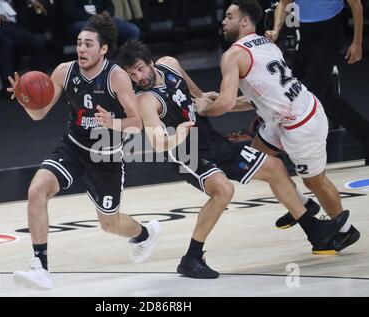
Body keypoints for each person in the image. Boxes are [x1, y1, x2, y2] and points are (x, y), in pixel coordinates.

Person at [117, 39, 349, 279]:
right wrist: (179, 136)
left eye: (140, 69)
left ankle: (316, 233)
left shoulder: (170, 65)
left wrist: (213, 101)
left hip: (211, 140)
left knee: (275, 167)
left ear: (150, 62)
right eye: (131, 75)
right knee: (223, 190)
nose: (138, 78)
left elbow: (198, 94)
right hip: (185, 153)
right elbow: (157, 142)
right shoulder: (145, 100)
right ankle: (191, 258)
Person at [8, 15, 160, 290]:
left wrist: (111, 123)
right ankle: (40, 267)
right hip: (74, 146)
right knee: (36, 190)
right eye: (79, 43)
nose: (81, 49)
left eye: (88, 44)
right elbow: (39, 114)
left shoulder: (117, 77)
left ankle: (144, 234)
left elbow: (137, 123)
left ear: (103, 49)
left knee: (110, 223)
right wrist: (24, 97)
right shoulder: (64, 72)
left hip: (106, 153)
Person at [195, 0, 359, 255]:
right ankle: (304, 208)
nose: (223, 21)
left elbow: (226, 103)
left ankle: (345, 231)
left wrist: (203, 109)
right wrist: (220, 99)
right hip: (284, 116)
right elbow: (256, 98)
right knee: (259, 160)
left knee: (316, 182)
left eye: (229, 16)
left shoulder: (233, 55)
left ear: (245, 21)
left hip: (300, 124)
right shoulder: (265, 43)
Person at [265, 0, 369, 166]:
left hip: (329, 33)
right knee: (326, 98)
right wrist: (276, 30)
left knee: (304, 95)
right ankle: (366, 135)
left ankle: (295, 155)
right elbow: (284, 3)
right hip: (304, 34)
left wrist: (357, 43)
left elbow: (356, 5)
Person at [61, 0, 140, 46]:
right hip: (80, 21)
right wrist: (94, 18)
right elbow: (70, 12)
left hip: (102, 19)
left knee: (132, 30)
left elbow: (110, 6)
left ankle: (125, 60)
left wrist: (107, 12)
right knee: (96, 30)